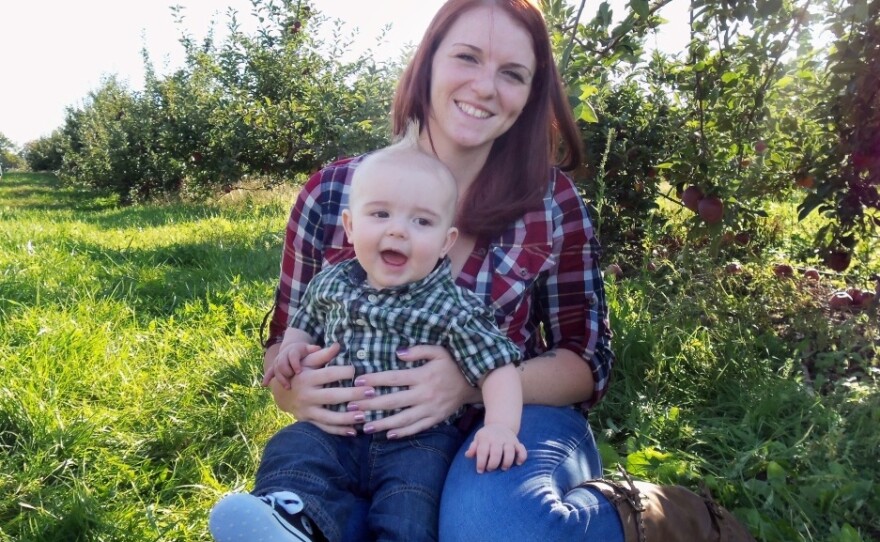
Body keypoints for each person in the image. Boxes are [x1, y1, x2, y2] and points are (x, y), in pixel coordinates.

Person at [217, 1, 757, 541]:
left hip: (517, 412)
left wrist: (469, 385)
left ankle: (669, 521)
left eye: (512, 74)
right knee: (338, 520)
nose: (485, 87)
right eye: (467, 57)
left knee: (492, 528)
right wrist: (292, 389)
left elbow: (586, 363)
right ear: (427, 61)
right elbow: (288, 333)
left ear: (529, 94)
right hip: (365, 429)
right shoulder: (335, 192)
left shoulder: (551, 203)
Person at [210, 136, 527, 542]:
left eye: (422, 222)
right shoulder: (332, 282)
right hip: (335, 429)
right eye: (380, 214)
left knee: (412, 504)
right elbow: (302, 320)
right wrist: (292, 350)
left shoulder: (451, 306)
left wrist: (501, 426)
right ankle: (292, 521)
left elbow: (498, 366)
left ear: (446, 242)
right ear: (350, 226)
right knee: (294, 448)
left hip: (415, 440)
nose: (398, 231)